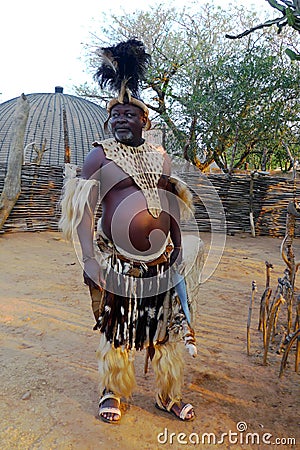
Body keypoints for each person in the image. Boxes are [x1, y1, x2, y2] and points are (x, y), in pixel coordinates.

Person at [59, 39, 203, 424]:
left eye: (129, 114)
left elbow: (170, 201)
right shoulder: (99, 155)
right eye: (116, 114)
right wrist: (89, 259)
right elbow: (83, 212)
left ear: (145, 121)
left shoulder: (161, 157)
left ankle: (167, 394)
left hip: (160, 259)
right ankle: (113, 391)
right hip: (118, 262)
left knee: (167, 330)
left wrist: (176, 245)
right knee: (117, 326)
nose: (122, 118)